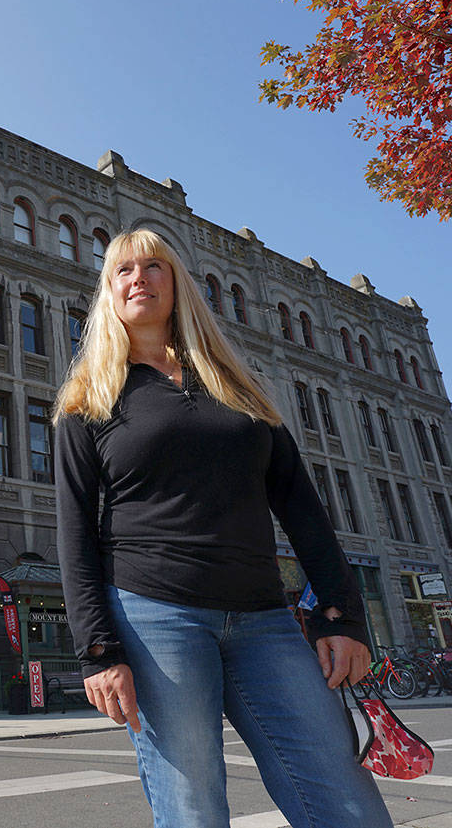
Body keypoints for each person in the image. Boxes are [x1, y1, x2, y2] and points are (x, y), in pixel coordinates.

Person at [53, 228, 392, 828]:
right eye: (123, 270)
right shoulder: (89, 401)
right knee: (194, 806)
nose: (140, 278)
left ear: (177, 283)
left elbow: (302, 507)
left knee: (343, 792)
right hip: (155, 615)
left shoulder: (238, 388)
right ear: (108, 291)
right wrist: (98, 651)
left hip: (264, 619)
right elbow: (74, 531)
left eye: (154, 266)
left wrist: (341, 614)